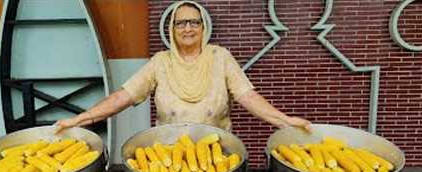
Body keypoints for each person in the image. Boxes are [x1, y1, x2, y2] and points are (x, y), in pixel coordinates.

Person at [55, 0, 311, 133]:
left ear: (203, 27)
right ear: (172, 29)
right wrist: (82, 119)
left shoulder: (220, 57)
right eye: (180, 23)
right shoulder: (160, 62)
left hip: (216, 153)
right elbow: (123, 96)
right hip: (170, 155)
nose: (187, 28)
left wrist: (284, 121)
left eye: (194, 22)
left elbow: (248, 96)